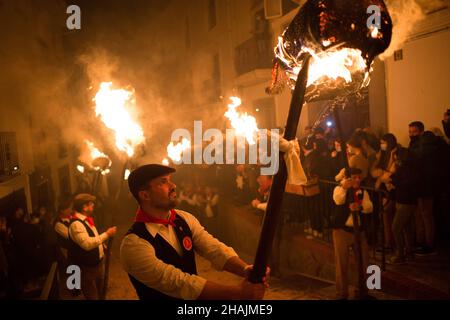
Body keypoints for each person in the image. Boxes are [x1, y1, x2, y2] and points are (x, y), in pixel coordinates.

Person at [120, 164, 268, 300]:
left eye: (170, 180)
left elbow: (213, 248)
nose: (173, 186)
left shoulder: (184, 218)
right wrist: (238, 293)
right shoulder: (133, 244)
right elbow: (179, 283)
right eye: (163, 182)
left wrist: (245, 269)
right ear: (145, 195)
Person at [332, 168, 374, 300]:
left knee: (364, 262)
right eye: (354, 177)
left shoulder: (363, 192)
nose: (357, 180)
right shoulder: (339, 189)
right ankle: (342, 294)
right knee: (341, 263)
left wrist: (360, 207)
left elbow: (369, 207)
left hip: (359, 232)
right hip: (342, 231)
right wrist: (344, 188)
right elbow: (338, 200)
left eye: (359, 178)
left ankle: (362, 291)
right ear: (348, 178)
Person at [68, 193, 117, 300]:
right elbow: (87, 244)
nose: (93, 206)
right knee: (92, 296)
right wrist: (107, 234)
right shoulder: (76, 224)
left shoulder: (87, 220)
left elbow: (94, 237)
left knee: (101, 293)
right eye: (91, 204)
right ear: (84, 207)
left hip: (98, 264)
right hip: (87, 268)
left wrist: (102, 247)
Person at [370, 133, 398, 251]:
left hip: (391, 190)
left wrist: (382, 174)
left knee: (387, 216)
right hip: (382, 190)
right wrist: (382, 172)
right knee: (384, 217)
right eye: (381, 143)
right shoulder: (381, 155)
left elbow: (391, 173)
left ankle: (389, 243)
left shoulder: (395, 154)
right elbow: (373, 171)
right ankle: (388, 242)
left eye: (383, 143)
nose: (382, 145)